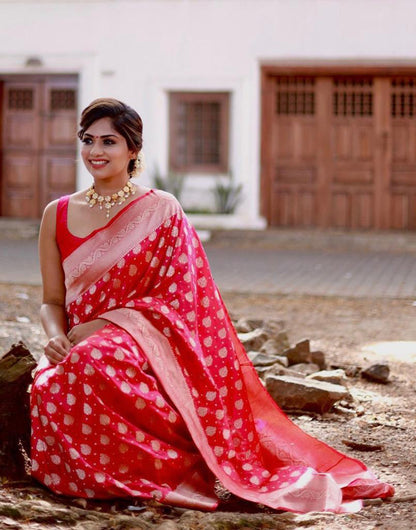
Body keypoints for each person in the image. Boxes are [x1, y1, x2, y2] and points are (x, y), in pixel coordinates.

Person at [31, 97, 394, 513]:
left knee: (95, 360)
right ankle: (89, 478)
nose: (95, 151)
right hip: (73, 338)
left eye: (108, 141)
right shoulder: (56, 213)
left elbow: (180, 296)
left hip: (143, 337)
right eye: (88, 140)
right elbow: (52, 300)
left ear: (133, 149)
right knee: (49, 383)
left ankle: (167, 475)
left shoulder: (161, 209)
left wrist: (108, 324)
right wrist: (56, 337)